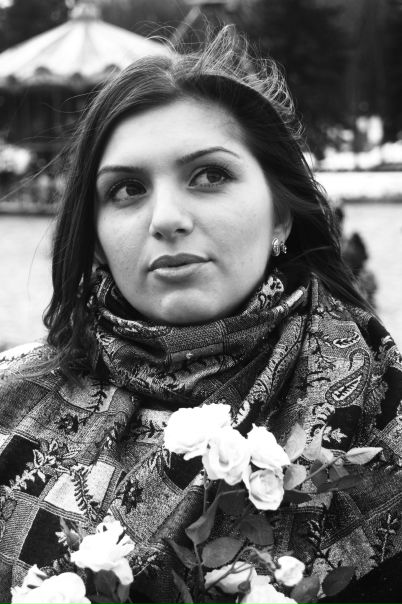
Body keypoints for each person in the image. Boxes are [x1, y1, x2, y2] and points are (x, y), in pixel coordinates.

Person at [0, 28, 401, 604]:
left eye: (210, 175)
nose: (166, 218)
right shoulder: (12, 402)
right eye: (127, 189)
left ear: (281, 213)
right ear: (95, 238)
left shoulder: (382, 414)